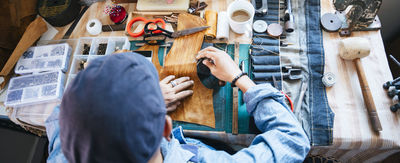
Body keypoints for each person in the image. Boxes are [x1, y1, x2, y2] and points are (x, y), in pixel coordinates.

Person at [46, 47, 310, 162]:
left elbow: (65, 109)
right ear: (165, 127)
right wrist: (240, 79)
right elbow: (292, 141)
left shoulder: (64, 150)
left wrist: (137, 105)